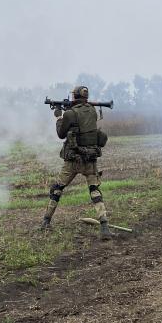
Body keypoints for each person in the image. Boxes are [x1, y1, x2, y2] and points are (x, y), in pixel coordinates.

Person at [41, 86, 112, 240]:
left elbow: (61, 134)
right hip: (90, 159)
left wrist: (59, 117)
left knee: (57, 188)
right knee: (94, 191)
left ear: (74, 97)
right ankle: (104, 226)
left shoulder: (70, 113)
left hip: (73, 159)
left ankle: (46, 221)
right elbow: (84, 122)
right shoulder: (93, 111)